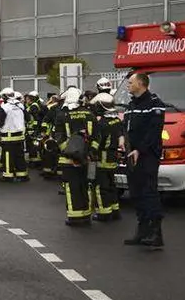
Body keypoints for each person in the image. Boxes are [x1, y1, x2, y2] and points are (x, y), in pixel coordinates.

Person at [122, 73, 165, 249]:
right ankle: (142, 230)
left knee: (149, 192)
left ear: (141, 83)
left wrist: (141, 149)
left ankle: (156, 233)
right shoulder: (131, 105)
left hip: (148, 156)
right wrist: (123, 140)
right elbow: (126, 127)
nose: (128, 85)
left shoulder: (155, 104)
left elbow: (154, 131)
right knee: (136, 192)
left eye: (131, 83)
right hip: (132, 154)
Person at [54, 87, 95, 226]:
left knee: (72, 188)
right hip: (88, 158)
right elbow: (97, 136)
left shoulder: (63, 116)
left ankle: (75, 217)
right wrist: (89, 153)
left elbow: (59, 137)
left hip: (69, 159)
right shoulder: (89, 114)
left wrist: (70, 153)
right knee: (86, 186)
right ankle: (86, 215)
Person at [89, 93, 123, 222]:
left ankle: (104, 213)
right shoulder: (117, 120)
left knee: (100, 186)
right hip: (113, 157)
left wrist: (91, 152)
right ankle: (115, 211)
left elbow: (97, 141)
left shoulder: (102, 123)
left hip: (102, 158)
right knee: (111, 184)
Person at [0, 88, 28, 182]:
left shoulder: (5, 107)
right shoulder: (21, 105)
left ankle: (8, 176)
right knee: (20, 156)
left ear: (5, 96)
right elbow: (28, 118)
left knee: (8, 156)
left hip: (8, 137)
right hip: (20, 136)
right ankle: (22, 175)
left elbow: (0, 122)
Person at [25, 91, 45, 169]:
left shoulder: (34, 106)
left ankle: (35, 162)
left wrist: (35, 129)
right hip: (32, 129)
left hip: (33, 129)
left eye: (27, 99)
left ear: (31, 99)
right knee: (32, 145)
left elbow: (36, 119)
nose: (26, 100)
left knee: (34, 146)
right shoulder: (33, 105)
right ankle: (34, 161)